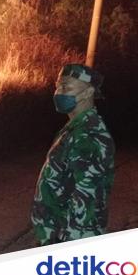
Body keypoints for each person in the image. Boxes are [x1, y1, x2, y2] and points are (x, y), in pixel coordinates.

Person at [31, 64, 115, 246]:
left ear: (88, 92)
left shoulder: (89, 134)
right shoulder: (75, 128)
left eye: (67, 87)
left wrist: (66, 241)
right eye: (58, 86)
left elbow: (87, 194)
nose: (59, 92)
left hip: (73, 237)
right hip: (58, 232)